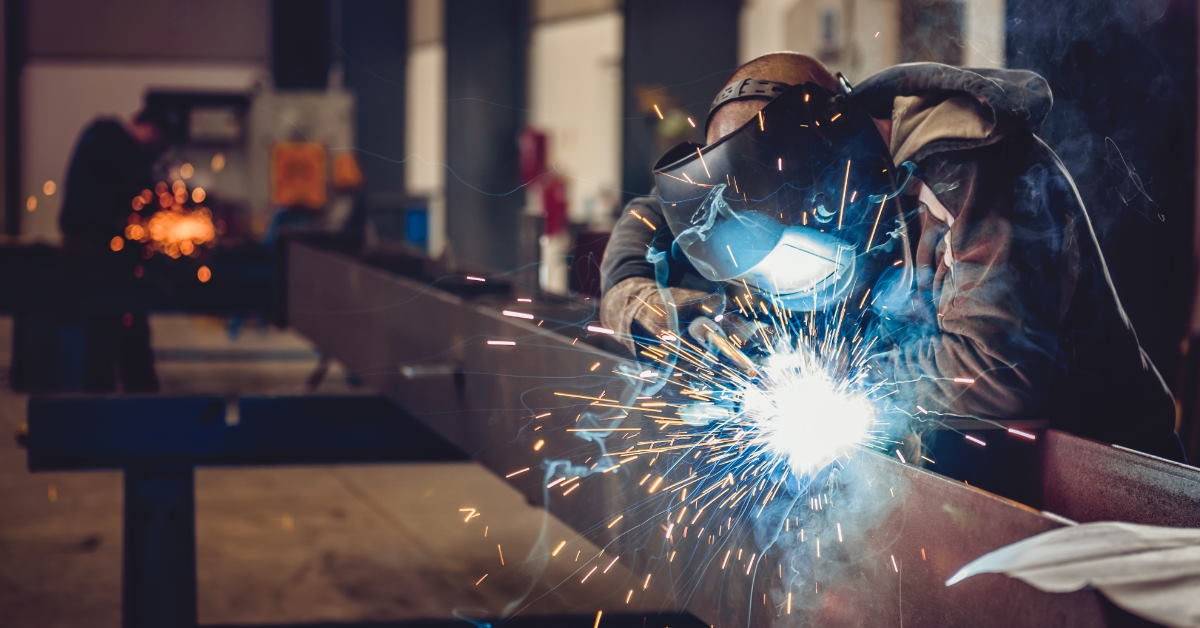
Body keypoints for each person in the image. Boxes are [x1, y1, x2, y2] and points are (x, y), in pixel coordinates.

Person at [600, 52, 1183, 460]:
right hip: (970, 466)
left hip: (1105, 481)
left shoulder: (971, 168)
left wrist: (833, 380)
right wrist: (637, 296)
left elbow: (996, 370)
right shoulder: (806, 172)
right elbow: (652, 214)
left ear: (830, 168)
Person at [58, 107, 169, 392]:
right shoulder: (110, 139)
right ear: (150, 128)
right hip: (99, 257)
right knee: (111, 330)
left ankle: (125, 396)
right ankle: (121, 399)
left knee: (121, 327)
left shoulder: (108, 142)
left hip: (106, 255)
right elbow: (134, 192)